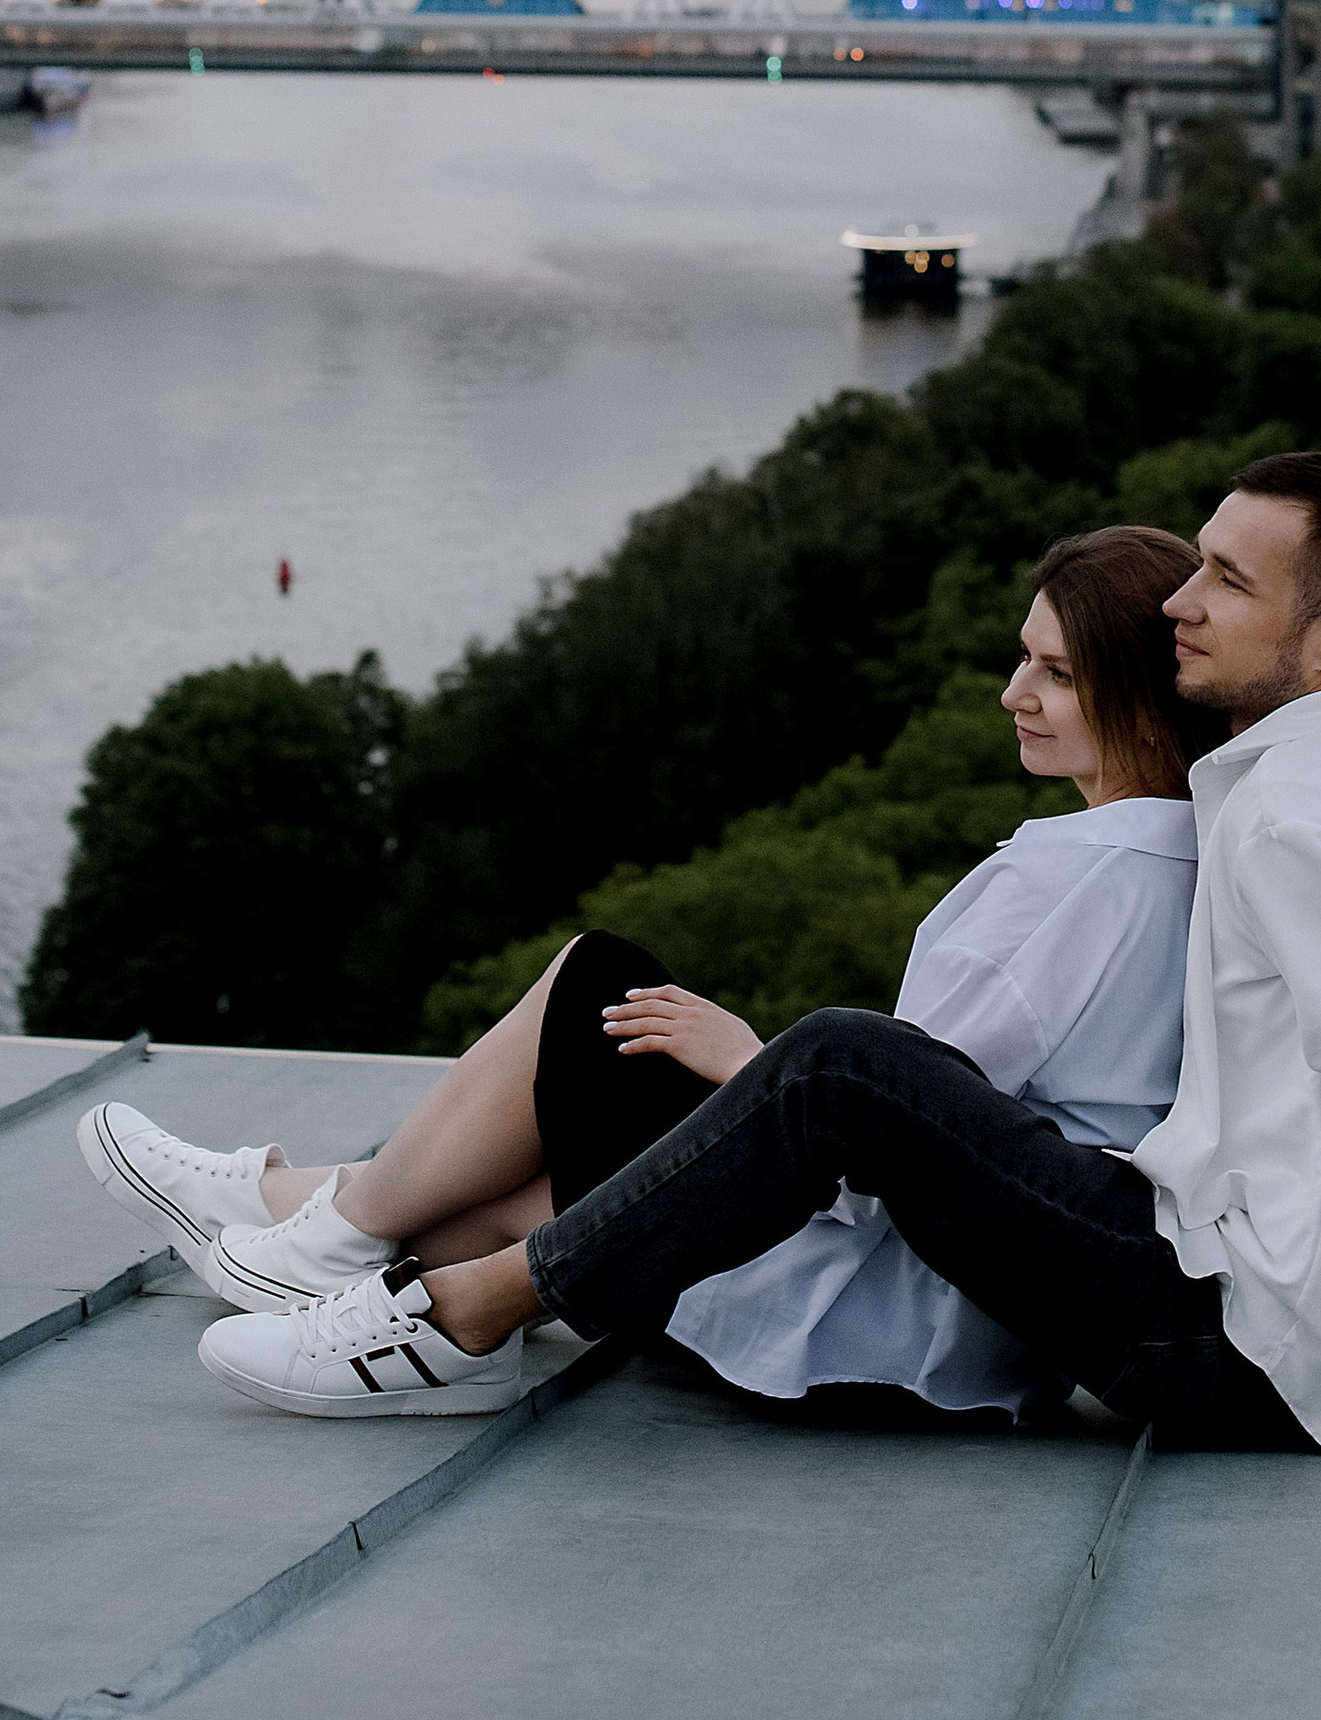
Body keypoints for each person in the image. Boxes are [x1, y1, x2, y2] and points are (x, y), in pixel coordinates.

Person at [190, 451, 1321, 1526]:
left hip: (1225, 1337)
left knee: (845, 1062)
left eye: (1227, 580)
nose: (1181, 599)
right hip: (1292, 1320)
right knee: (831, 1071)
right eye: (1194, 560)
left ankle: (450, 1312)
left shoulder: (1298, 817)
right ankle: (353, 1230)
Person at [78, 523, 1217, 1419]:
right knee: (532, 1149)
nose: (1013, 692)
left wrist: (750, 1062)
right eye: (1023, 657)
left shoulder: (1071, 883)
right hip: (981, 1345)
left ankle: (315, 1225)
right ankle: (292, 1210)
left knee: (596, 991)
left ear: (1139, 695)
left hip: (872, 1326)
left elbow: (910, 1155)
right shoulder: (1191, 864)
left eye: (1054, 672)